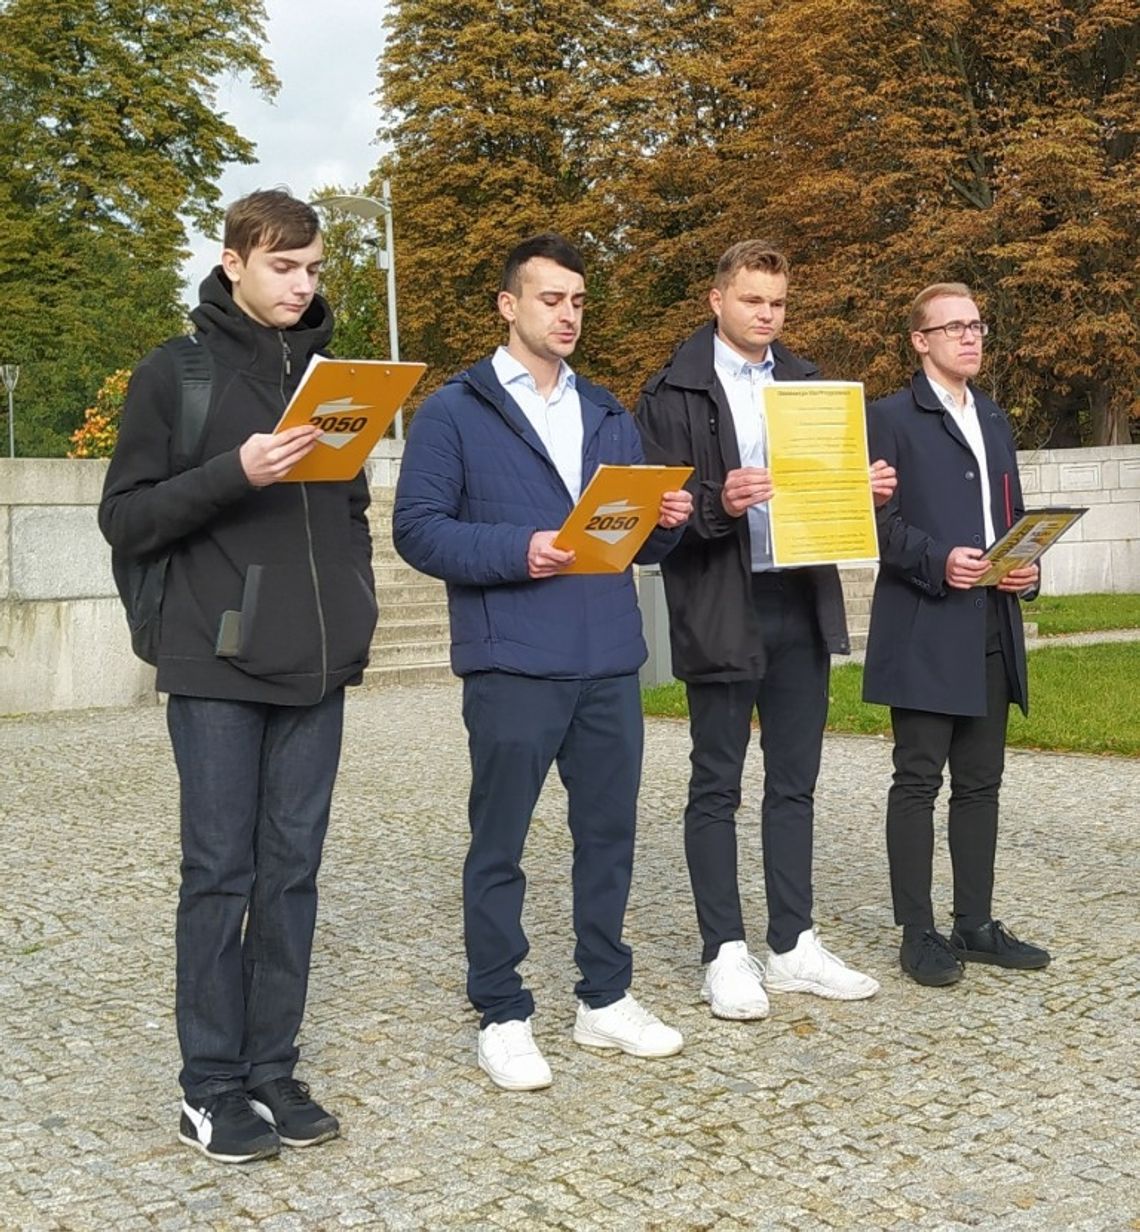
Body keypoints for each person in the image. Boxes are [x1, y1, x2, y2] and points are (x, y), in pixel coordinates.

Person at [99, 190, 378, 1162]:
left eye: (312, 268)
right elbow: (126, 518)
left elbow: (348, 514)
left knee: (293, 872)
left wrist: (357, 615)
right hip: (215, 660)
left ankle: (272, 1067)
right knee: (221, 874)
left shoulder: (339, 379)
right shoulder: (175, 375)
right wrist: (238, 470)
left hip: (318, 666)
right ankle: (209, 1083)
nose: (302, 284)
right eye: (282, 266)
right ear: (233, 264)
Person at [393, 233, 692, 1091]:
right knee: (501, 843)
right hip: (512, 658)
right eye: (550, 298)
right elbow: (417, 529)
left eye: (578, 300)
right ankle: (501, 1010)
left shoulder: (607, 411)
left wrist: (667, 518)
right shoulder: (456, 410)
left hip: (606, 658)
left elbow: (639, 545)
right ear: (508, 305)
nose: (567, 314)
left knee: (608, 838)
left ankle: (605, 1000)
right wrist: (517, 549)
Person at [635, 240, 893, 1021]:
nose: (767, 315)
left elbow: (826, 486)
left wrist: (865, 489)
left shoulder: (810, 382)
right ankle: (723, 952)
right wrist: (721, 501)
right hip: (718, 596)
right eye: (752, 300)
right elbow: (658, 522)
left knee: (796, 781)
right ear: (717, 300)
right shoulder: (669, 391)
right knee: (716, 782)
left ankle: (793, 942)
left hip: (799, 596)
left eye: (777, 302)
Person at [863, 282, 1050, 987]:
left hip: (991, 626)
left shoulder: (995, 418)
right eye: (954, 328)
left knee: (982, 783)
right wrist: (938, 559)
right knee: (917, 781)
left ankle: (974, 923)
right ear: (920, 340)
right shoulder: (888, 418)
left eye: (977, 326)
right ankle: (919, 932)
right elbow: (875, 525)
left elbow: (1015, 516)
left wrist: (1026, 572)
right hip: (924, 624)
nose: (970, 338)